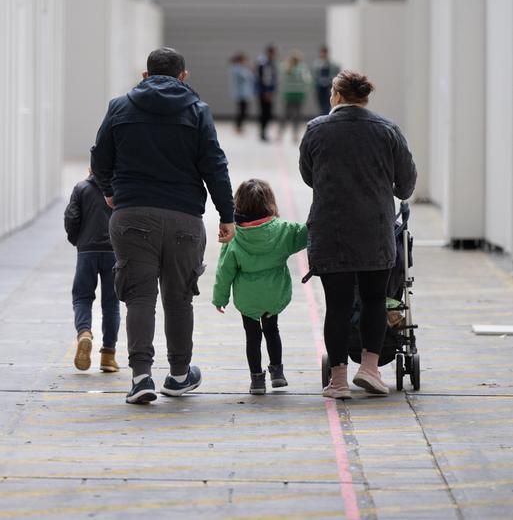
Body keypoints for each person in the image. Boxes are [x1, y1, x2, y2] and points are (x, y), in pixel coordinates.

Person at [91, 47, 235, 405]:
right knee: (179, 299)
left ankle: (141, 378)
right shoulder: (197, 111)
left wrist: (110, 191)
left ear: (145, 75)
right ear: (183, 76)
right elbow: (215, 165)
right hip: (184, 218)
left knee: (139, 297)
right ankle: (180, 376)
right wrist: (227, 215)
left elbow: (99, 156)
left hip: (131, 215)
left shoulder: (119, 106)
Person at [299, 70, 416, 398]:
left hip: (330, 230)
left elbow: (309, 176)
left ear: (335, 95)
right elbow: (406, 183)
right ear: (364, 97)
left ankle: (337, 381)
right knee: (374, 299)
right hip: (375, 230)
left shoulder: (316, 130)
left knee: (336, 305)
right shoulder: (387, 130)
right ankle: (370, 368)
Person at [212, 179, 307, 395]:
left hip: (248, 298)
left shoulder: (234, 236)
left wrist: (220, 299)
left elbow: (224, 271)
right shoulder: (283, 230)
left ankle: (256, 379)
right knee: (272, 330)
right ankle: (278, 373)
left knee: (252, 336)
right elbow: (306, 233)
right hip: (274, 294)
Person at [64, 171, 120, 373]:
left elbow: (71, 218)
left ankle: (84, 333)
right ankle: (108, 355)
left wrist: (78, 241)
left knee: (82, 297)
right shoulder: (120, 188)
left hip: (87, 251)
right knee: (111, 304)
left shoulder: (81, 188)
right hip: (114, 251)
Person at [279, 49, 311, 142]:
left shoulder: (287, 67)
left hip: (291, 94)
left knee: (288, 114)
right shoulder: (300, 68)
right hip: (297, 94)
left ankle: (283, 133)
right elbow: (308, 81)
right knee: (294, 115)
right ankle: (292, 134)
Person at [255, 44, 278, 142]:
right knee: (264, 113)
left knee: (267, 113)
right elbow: (264, 79)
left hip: (268, 92)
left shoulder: (271, 63)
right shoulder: (264, 64)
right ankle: (262, 133)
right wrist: (266, 92)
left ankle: (264, 132)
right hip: (264, 92)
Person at [229, 51, 254, 133]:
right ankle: (238, 126)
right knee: (241, 111)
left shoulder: (241, 68)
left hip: (244, 93)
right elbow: (247, 76)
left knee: (243, 110)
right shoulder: (237, 68)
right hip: (240, 93)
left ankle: (239, 126)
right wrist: (249, 68)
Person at [312, 45, 340, 116]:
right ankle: (323, 116)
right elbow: (314, 75)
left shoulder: (332, 64)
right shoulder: (316, 64)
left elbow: (336, 72)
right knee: (320, 104)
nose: (323, 54)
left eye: (324, 52)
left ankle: (326, 117)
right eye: (322, 52)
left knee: (327, 104)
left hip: (328, 87)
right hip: (319, 88)